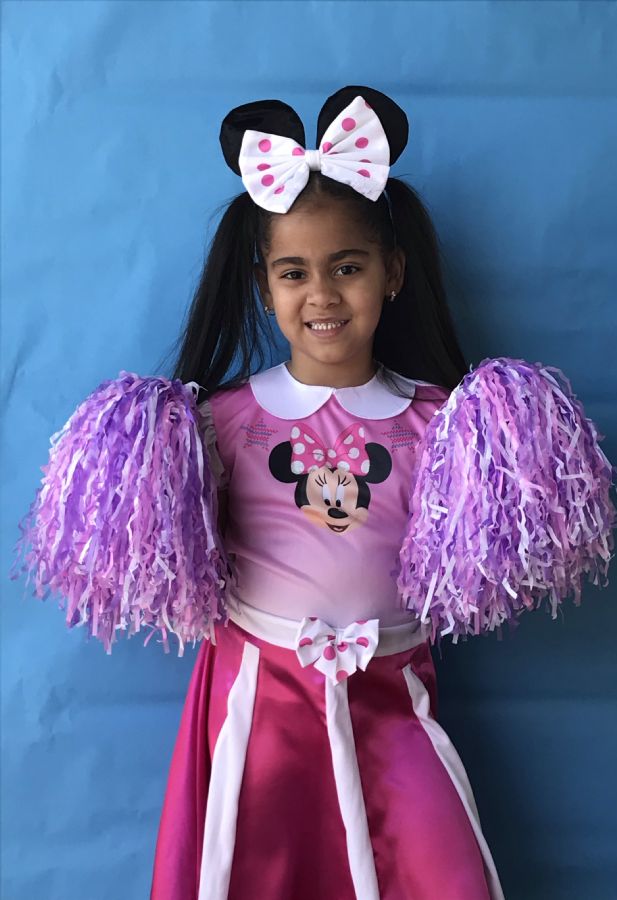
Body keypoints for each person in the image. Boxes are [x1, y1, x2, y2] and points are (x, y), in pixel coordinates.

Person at [150, 85, 506, 900]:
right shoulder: (220, 420)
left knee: (438, 870)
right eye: (294, 272)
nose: (321, 295)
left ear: (392, 273)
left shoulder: (444, 421)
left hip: (392, 695)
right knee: (256, 867)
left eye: (347, 267)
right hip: (262, 698)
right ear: (263, 285)